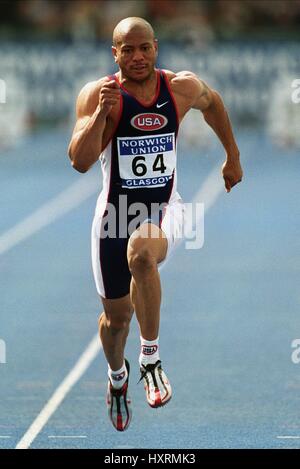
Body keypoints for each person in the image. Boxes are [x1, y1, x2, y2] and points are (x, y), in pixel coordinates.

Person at [68, 17, 243, 432]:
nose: (137, 57)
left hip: (164, 209)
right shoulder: (97, 93)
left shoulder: (179, 87)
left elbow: (213, 102)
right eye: (127, 50)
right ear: (115, 53)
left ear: (156, 47)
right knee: (115, 322)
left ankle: (150, 360)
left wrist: (232, 156)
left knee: (142, 253)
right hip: (112, 215)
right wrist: (100, 116)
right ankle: (117, 378)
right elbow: (79, 160)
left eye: (144, 47)